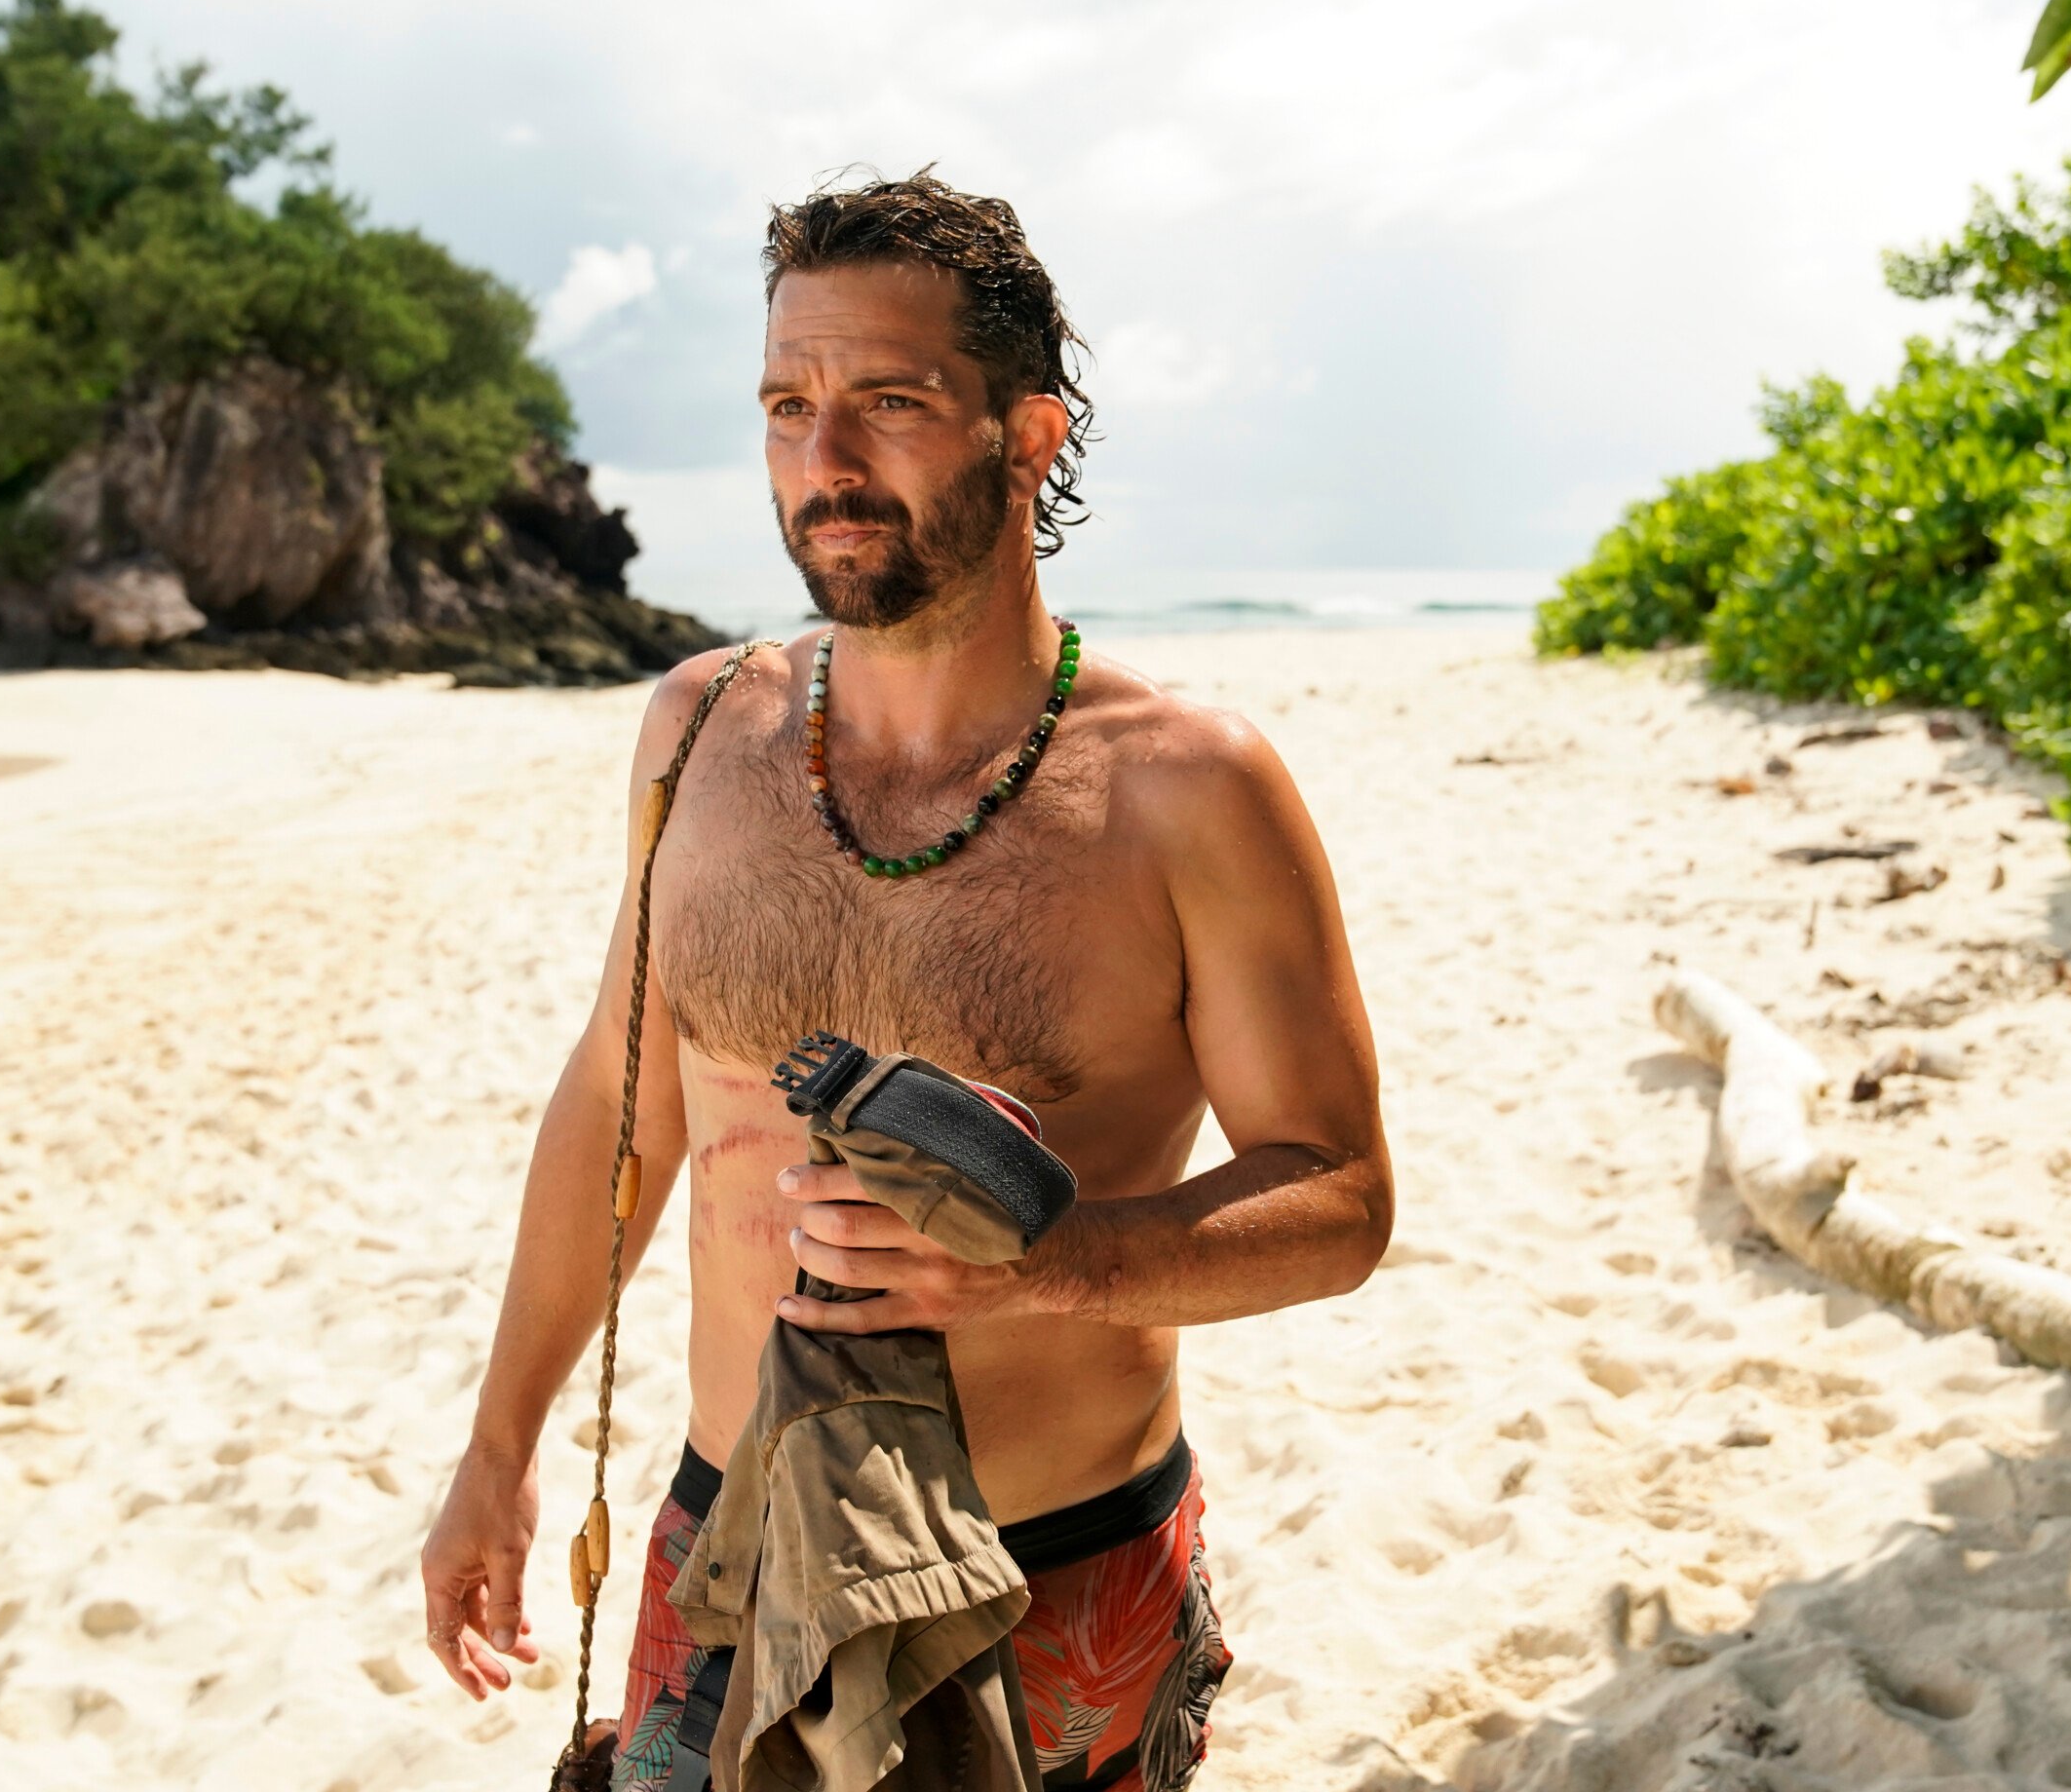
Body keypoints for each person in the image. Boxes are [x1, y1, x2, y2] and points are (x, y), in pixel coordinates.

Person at [420, 171, 1393, 1792]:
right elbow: (621, 1107)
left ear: (1029, 435)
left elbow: (1343, 1200)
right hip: (726, 1549)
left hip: (1054, 1576)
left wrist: (1051, 1265)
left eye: (890, 403)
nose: (827, 463)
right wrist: (497, 1451)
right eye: (789, 406)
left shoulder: (1188, 792)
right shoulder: (694, 734)